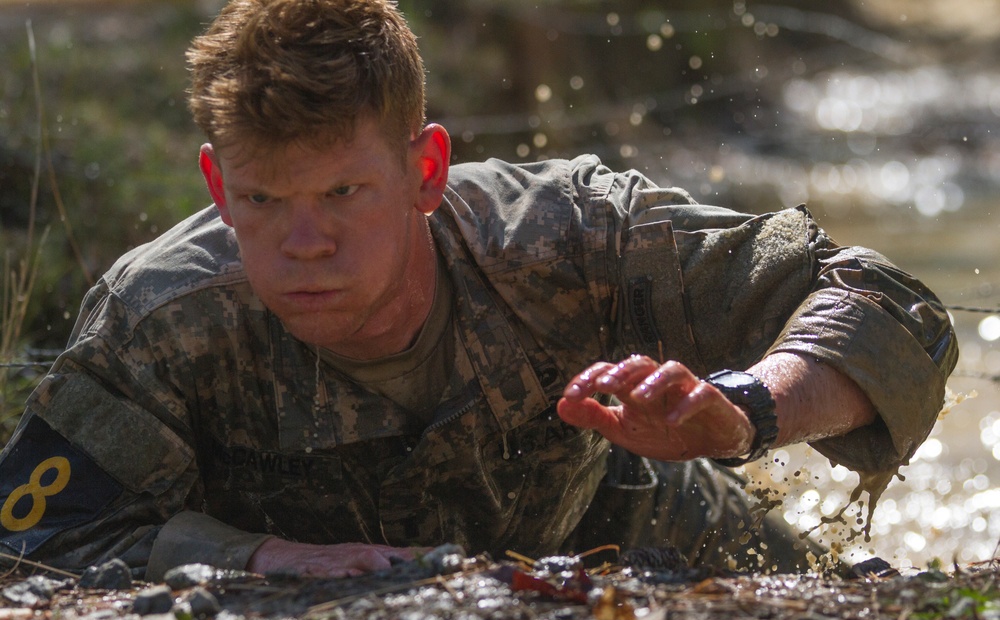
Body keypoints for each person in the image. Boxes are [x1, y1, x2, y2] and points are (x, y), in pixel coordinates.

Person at [0, 0, 956, 581]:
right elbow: (33, 529)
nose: (302, 245)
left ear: (425, 171)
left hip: (643, 532)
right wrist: (256, 555)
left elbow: (886, 303)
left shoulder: (560, 234)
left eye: (342, 193)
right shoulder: (160, 316)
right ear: (217, 186)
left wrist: (746, 410)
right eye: (261, 199)